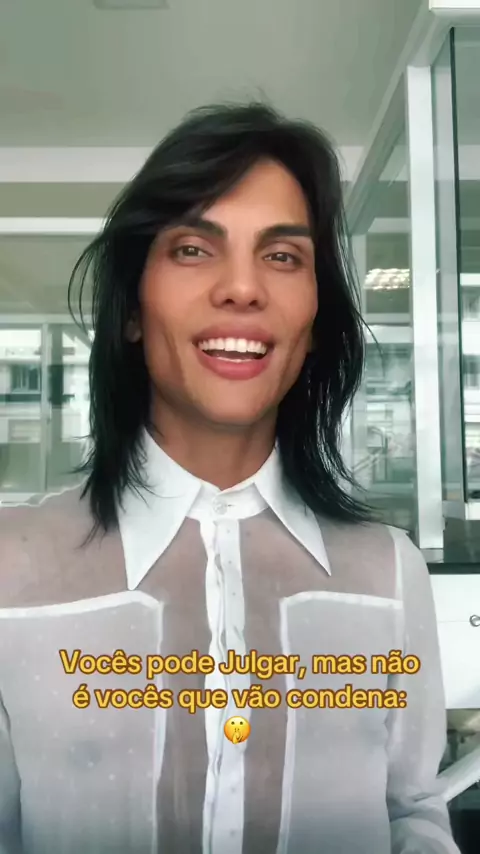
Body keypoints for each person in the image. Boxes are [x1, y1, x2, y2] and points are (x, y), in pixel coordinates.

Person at [0, 103, 459, 854]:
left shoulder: (388, 572)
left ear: (316, 322)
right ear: (132, 310)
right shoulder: (11, 567)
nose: (243, 288)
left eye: (282, 256)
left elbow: (412, 811)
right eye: (192, 249)